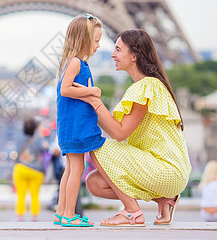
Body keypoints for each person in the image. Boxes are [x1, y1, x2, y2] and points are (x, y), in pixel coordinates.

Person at [76, 29, 191, 226]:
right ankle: (163, 200)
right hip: (165, 170)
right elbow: (115, 127)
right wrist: (90, 101)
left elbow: (119, 133)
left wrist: (94, 100)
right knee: (94, 183)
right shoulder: (148, 85)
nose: (113, 54)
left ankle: (131, 212)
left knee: (94, 145)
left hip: (166, 169)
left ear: (134, 55)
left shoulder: (146, 87)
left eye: (118, 50)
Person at [53, 14, 106, 227]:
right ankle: (68, 214)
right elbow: (66, 90)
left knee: (70, 169)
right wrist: (92, 91)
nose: (99, 45)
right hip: (76, 127)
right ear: (83, 39)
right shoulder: (76, 63)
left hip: (71, 126)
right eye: (96, 40)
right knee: (77, 169)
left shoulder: (74, 62)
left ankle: (61, 212)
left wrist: (88, 91)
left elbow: (66, 89)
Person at [12, 117, 48, 222]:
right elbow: (45, 148)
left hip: (21, 168)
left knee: (21, 194)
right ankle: (34, 217)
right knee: (35, 194)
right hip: (36, 171)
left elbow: (16, 150)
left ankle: (20, 216)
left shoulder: (18, 137)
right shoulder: (38, 138)